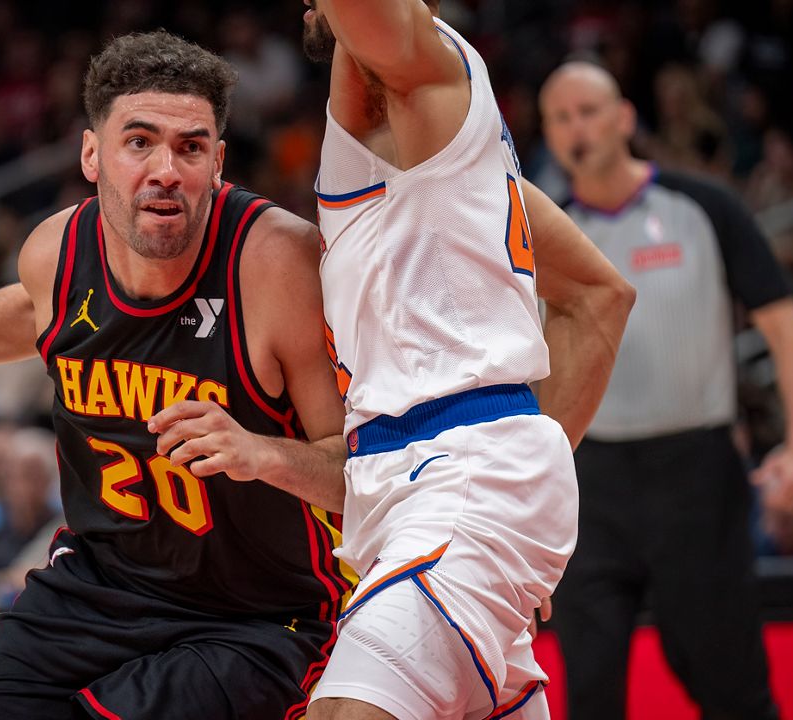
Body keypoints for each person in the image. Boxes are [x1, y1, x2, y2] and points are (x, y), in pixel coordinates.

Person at [0, 30, 355, 720]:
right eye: (139, 141)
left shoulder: (275, 266)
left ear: (218, 162)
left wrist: (264, 454)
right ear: (92, 154)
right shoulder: (56, 252)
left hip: (260, 614)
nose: (166, 169)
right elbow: (32, 312)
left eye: (191, 146)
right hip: (102, 586)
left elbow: (360, 478)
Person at [298, 2, 635, 719]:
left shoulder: (424, 69)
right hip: (431, 488)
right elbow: (601, 296)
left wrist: (504, 502)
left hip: (462, 479)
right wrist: (523, 505)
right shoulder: (453, 165)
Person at [539, 60, 793, 720]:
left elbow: (783, 323)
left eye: (589, 110)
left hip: (696, 476)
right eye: (561, 116)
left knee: (727, 681)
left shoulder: (702, 205)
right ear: (547, 133)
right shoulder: (539, 233)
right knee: (591, 686)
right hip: (589, 481)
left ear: (624, 118)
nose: (577, 127)